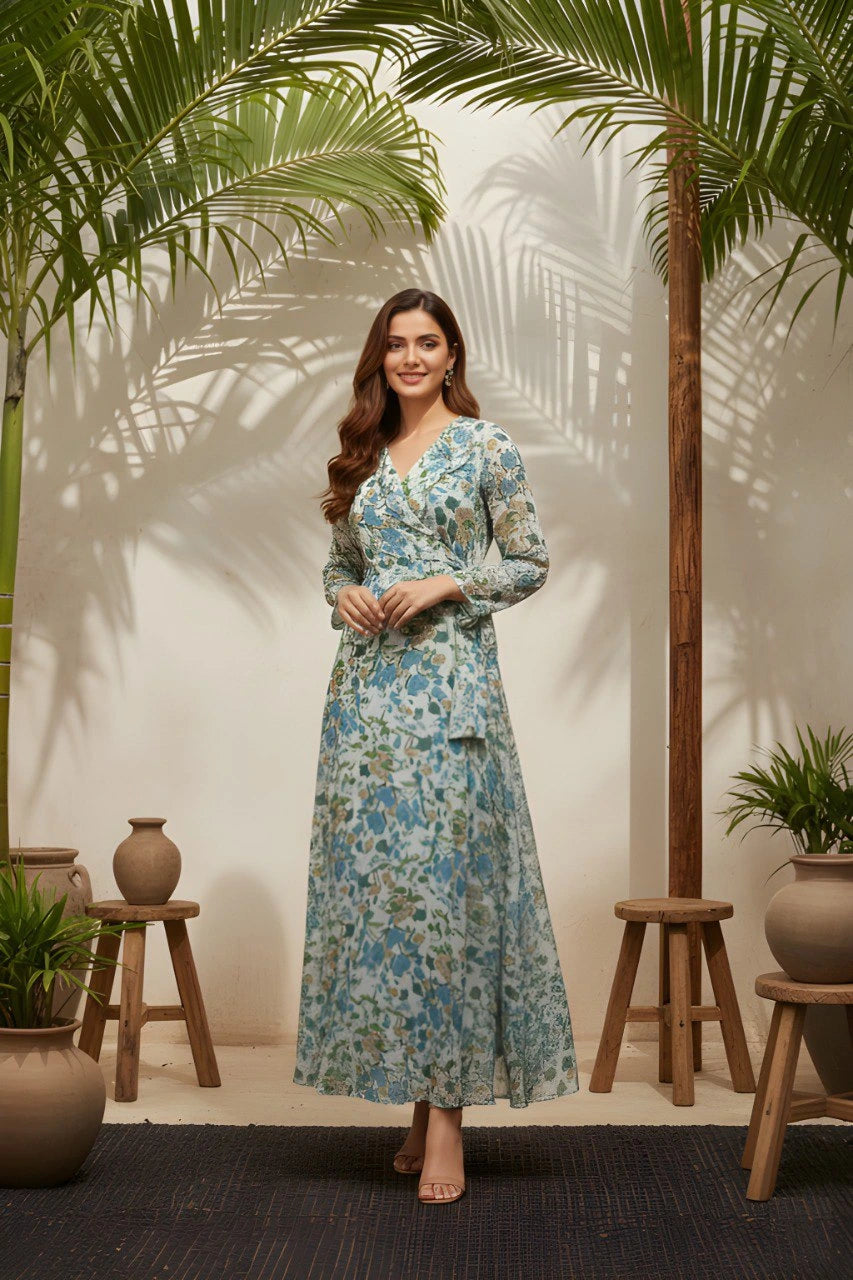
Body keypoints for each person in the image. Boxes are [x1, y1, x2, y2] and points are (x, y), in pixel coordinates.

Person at [293, 288, 578, 1205]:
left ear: (452, 354)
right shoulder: (362, 453)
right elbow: (340, 566)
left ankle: (448, 1118)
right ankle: (417, 1107)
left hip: (452, 700)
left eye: (426, 342)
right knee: (393, 907)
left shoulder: (485, 446)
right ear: (379, 358)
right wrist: (342, 595)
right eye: (395, 344)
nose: (410, 358)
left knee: (450, 906)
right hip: (366, 706)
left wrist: (446, 583)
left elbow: (528, 561)